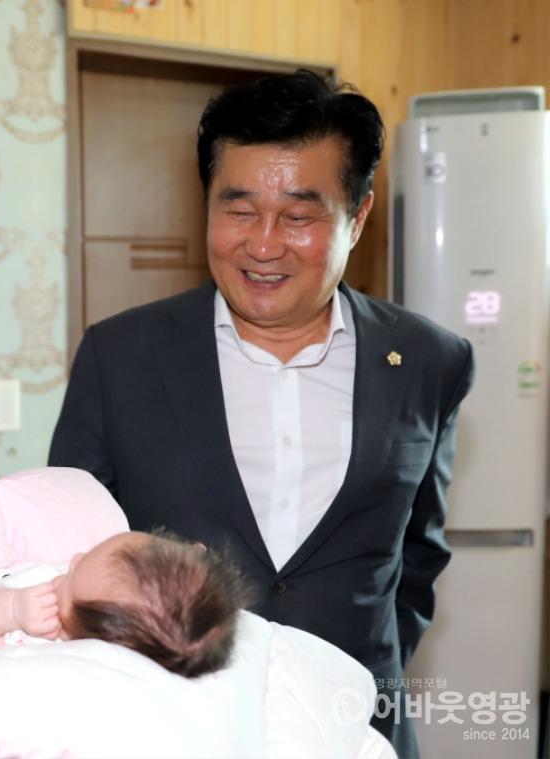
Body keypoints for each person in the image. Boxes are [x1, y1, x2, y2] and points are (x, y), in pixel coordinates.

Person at [48, 70, 474, 758]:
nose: (264, 244)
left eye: (300, 216)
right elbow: (66, 544)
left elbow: (418, 557)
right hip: (168, 727)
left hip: (355, 728)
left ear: (359, 215)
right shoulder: (119, 355)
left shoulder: (429, 360)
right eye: (239, 210)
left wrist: (359, 676)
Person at [0, 531, 246, 679]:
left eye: (68, 582)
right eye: (85, 556)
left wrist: (13, 610)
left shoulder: (36, 643)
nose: (72, 561)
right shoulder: (89, 593)